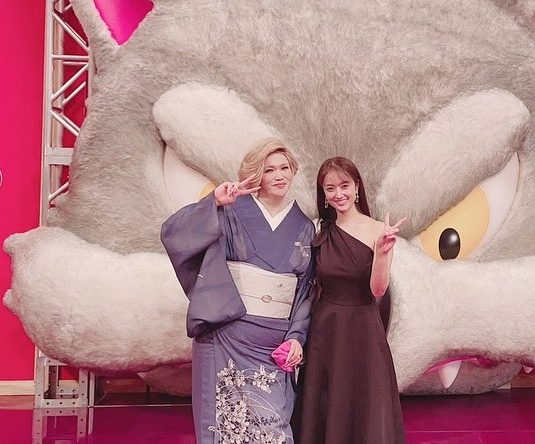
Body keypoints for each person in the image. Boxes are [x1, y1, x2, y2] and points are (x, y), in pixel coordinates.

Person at [161, 137, 315, 444]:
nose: (279, 176)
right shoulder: (231, 210)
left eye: (284, 168)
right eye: (269, 170)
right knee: (225, 428)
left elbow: (306, 292)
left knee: (272, 429)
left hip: (273, 343)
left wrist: (296, 337)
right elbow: (174, 234)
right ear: (257, 174)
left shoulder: (305, 226)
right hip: (227, 336)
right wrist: (214, 203)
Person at [293, 156, 407, 444]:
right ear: (324, 194)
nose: (338, 194)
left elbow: (378, 290)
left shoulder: (378, 230)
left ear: (357, 187)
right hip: (326, 331)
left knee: (364, 405)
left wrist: (382, 253)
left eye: (344, 185)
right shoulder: (319, 231)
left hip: (363, 330)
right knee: (326, 404)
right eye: (330, 188)